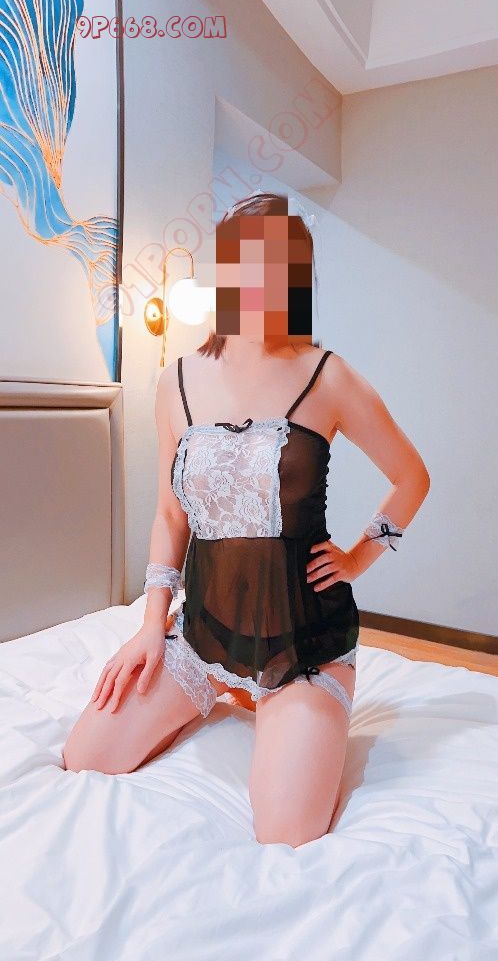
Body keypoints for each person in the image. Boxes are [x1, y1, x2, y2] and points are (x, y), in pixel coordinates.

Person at [63, 192, 430, 848]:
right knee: (86, 756)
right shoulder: (175, 382)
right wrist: (150, 626)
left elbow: (411, 478)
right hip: (203, 633)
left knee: (286, 832)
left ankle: (291, 702)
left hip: (304, 641)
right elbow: (169, 515)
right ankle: (216, 690)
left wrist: (358, 557)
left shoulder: (326, 375)